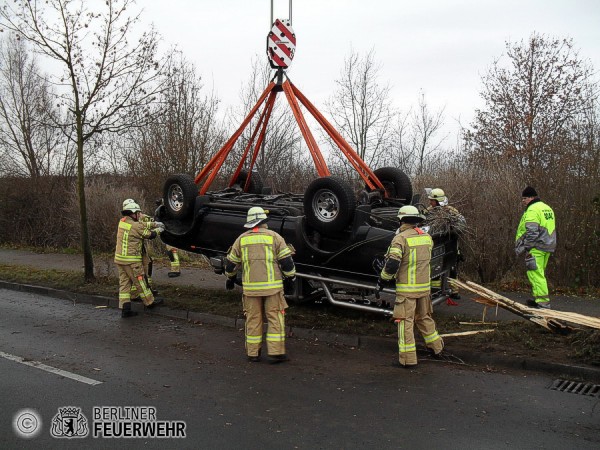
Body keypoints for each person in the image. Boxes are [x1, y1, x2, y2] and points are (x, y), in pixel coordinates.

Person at [224, 207, 296, 363]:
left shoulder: (241, 240)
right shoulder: (275, 237)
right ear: (264, 221)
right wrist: (291, 279)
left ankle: (253, 353)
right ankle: (276, 353)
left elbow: (230, 265)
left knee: (253, 319)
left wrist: (230, 278)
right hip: (273, 289)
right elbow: (287, 263)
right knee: (275, 318)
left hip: (250, 290)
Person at [378, 205, 444, 367]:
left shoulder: (400, 239)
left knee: (405, 322)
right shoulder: (426, 237)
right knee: (424, 317)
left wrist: (383, 278)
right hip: (424, 288)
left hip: (407, 290)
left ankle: (408, 359)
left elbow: (392, 264)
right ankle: (437, 348)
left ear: (401, 220)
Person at [114, 199, 165, 318]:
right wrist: (159, 229)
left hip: (120, 260)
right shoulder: (135, 226)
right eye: (137, 213)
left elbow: (141, 225)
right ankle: (150, 302)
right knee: (141, 282)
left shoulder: (122, 222)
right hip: (132, 261)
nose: (139, 215)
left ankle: (125, 309)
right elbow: (150, 235)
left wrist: (155, 224)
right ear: (133, 213)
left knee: (124, 285)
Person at [515, 187, 556, 309]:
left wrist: (527, 247)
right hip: (547, 245)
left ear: (531, 197)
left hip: (535, 247)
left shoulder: (532, 210)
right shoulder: (546, 208)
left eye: (525, 198)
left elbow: (532, 232)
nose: (523, 201)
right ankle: (539, 299)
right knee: (540, 273)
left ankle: (543, 303)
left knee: (535, 274)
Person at [425, 188, 463, 300]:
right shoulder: (429, 211)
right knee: (435, 269)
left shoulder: (451, 212)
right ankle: (434, 291)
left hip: (450, 244)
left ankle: (454, 291)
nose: (430, 202)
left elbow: (462, 225)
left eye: (432, 200)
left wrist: (450, 230)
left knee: (452, 268)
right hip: (435, 244)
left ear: (438, 201)